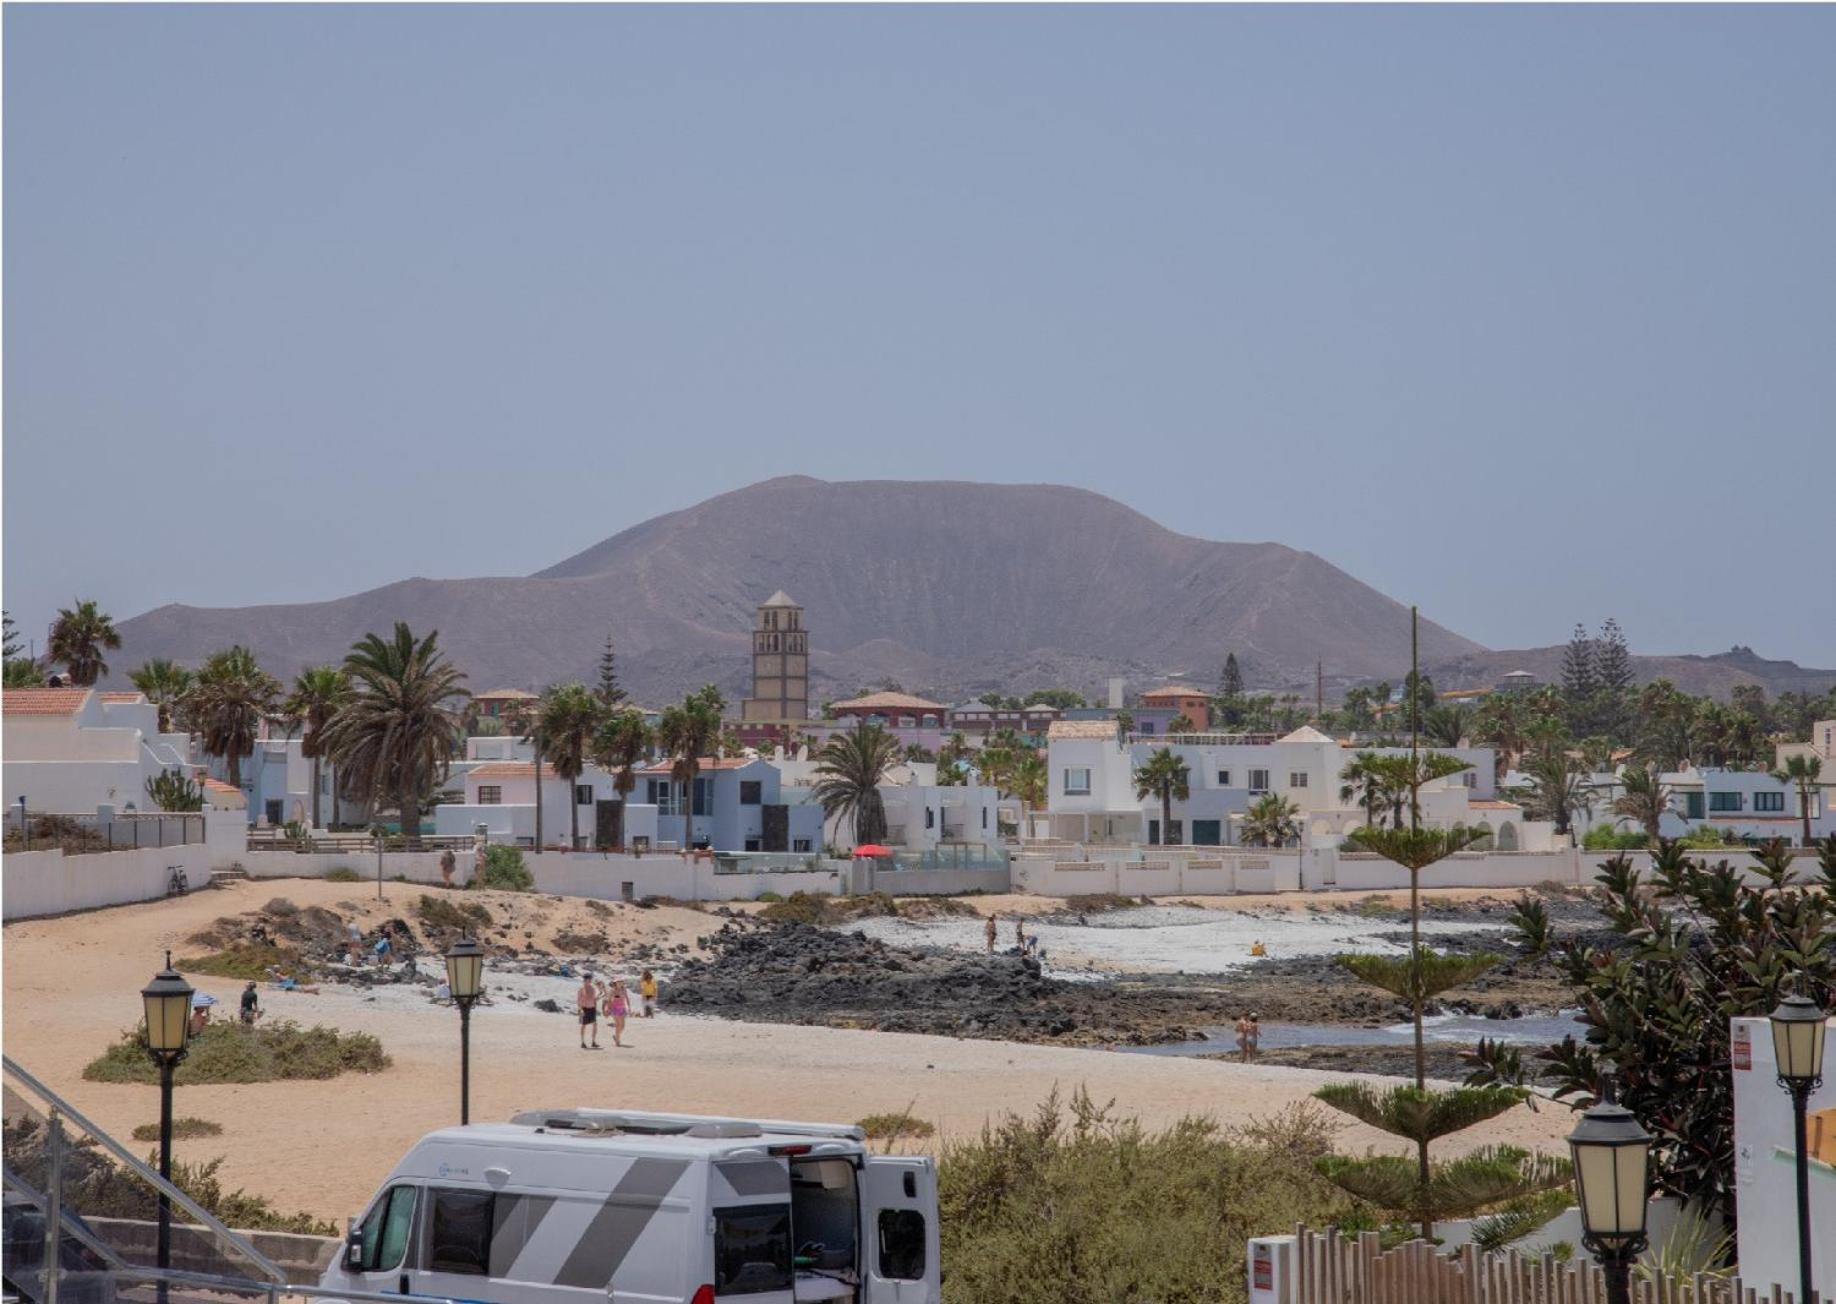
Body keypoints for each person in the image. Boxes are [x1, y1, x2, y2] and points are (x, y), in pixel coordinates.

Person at [577, 973, 601, 1049]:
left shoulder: (593, 988)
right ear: (585, 979)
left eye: (590, 979)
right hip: (584, 1009)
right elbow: (578, 1000)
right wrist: (580, 1010)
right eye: (588, 979)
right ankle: (582, 1042)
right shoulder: (581, 989)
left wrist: (598, 997)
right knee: (583, 1025)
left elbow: (594, 999)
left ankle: (593, 1042)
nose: (590, 980)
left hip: (592, 1008)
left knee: (595, 1024)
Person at [607, 978, 630, 1047]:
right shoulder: (612, 990)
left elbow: (627, 998)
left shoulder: (624, 990)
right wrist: (609, 1008)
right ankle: (617, 1041)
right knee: (617, 1025)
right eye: (618, 982)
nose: (620, 983)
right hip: (614, 1009)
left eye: (621, 982)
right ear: (615, 983)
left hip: (622, 1008)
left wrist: (629, 1007)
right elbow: (609, 1000)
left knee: (622, 1026)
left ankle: (616, 1036)